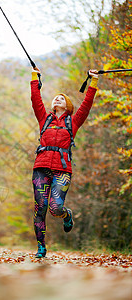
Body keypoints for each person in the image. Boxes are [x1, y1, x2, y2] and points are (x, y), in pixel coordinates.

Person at [30, 67, 99, 258]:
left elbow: (86, 104)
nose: (57, 99)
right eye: (55, 98)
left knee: (55, 208)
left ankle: (66, 215)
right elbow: (36, 99)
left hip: (62, 170)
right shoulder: (44, 119)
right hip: (41, 169)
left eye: (62, 98)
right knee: (40, 207)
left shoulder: (73, 121)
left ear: (67, 105)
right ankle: (41, 247)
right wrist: (35, 76)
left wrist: (93, 81)